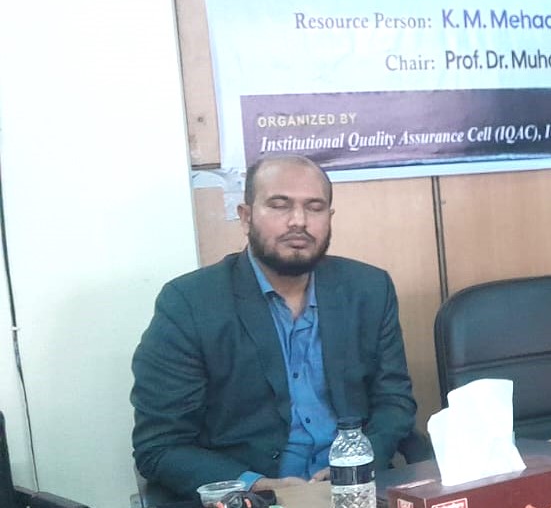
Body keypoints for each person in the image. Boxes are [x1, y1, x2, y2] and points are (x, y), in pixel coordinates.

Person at [132, 154, 416, 500]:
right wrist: (258, 486)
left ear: (329, 217)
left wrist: (358, 464)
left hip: (354, 491)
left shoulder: (369, 289)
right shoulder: (190, 303)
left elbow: (394, 403)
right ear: (246, 216)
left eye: (314, 207)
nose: (299, 221)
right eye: (280, 206)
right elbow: (160, 445)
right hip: (254, 496)